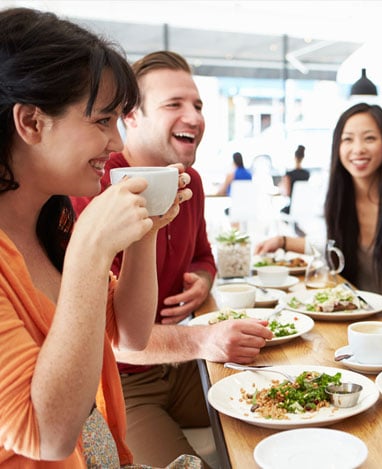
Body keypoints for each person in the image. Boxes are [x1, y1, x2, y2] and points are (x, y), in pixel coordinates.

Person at [0, 7, 194, 467]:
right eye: (102, 121)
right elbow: (47, 435)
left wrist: (147, 230)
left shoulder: (54, 223)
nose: (116, 142)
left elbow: (130, 333)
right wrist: (90, 251)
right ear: (31, 122)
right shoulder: (74, 236)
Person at [71, 51, 273, 467]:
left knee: (285, 406)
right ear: (131, 117)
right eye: (174, 105)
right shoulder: (93, 184)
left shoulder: (190, 181)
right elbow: (116, 337)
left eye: (197, 105)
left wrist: (202, 278)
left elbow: (204, 256)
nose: (195, 117)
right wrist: (204, 339)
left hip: (180, 367)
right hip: (123, 384)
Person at [256, 103, 382, 323]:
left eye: (369, 138)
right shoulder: (337, 196)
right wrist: (283, 241)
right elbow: (332, 248)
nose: (358, 148)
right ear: (337, 147)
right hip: (351, 315)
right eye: (348, 139)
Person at [280, 144, 310, 214]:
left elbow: (286, 193)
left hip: (292, 208)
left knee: (281, 212)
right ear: (303, 157)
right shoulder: (307, 174)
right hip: (304, 208)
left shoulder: (288, 174)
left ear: (294, 157)